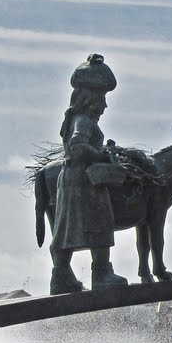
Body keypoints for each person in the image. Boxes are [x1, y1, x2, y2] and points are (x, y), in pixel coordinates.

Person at [48, 54, 129, 294]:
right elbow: (76, 147)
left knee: (65, 230)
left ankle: (61, 277)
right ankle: (102, 273)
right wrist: (102, 155)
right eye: (102, 98)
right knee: (101, 224)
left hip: (70, 177)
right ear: (90, 98)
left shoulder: (74, 118)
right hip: (85, 180)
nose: (105, 105)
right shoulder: (83, 121)